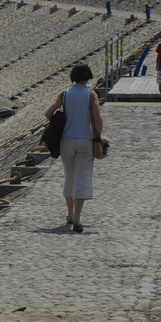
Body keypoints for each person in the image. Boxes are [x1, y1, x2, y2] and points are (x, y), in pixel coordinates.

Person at [44, 64, 103, 233]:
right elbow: (98, 120)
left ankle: (69, 215)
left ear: (73, 77)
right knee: (82, 177)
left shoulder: (65, 94)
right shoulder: (91, 95)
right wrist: (99, 136)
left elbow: (48, 113)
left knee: (69, 176)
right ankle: (77, 219)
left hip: (67, 140)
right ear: (89, 77)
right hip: (85, 140)